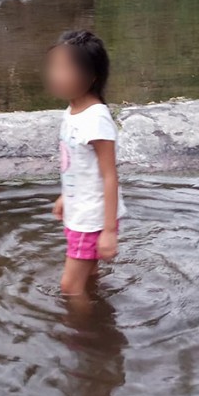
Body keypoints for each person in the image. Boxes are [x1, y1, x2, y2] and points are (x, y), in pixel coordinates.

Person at [46, 30, 127, 304]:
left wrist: (108, 231)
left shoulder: (96, 119)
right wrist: (65, 196)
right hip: (80, 210)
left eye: (65, 68)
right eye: (54, 66)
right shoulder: (72, 111)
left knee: (70, 287)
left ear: (91, 77)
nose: (55, 75)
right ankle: (100, 312)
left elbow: (109, 176)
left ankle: (86, 339)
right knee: (89, 275)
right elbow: (79, 167)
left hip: (92, 219)